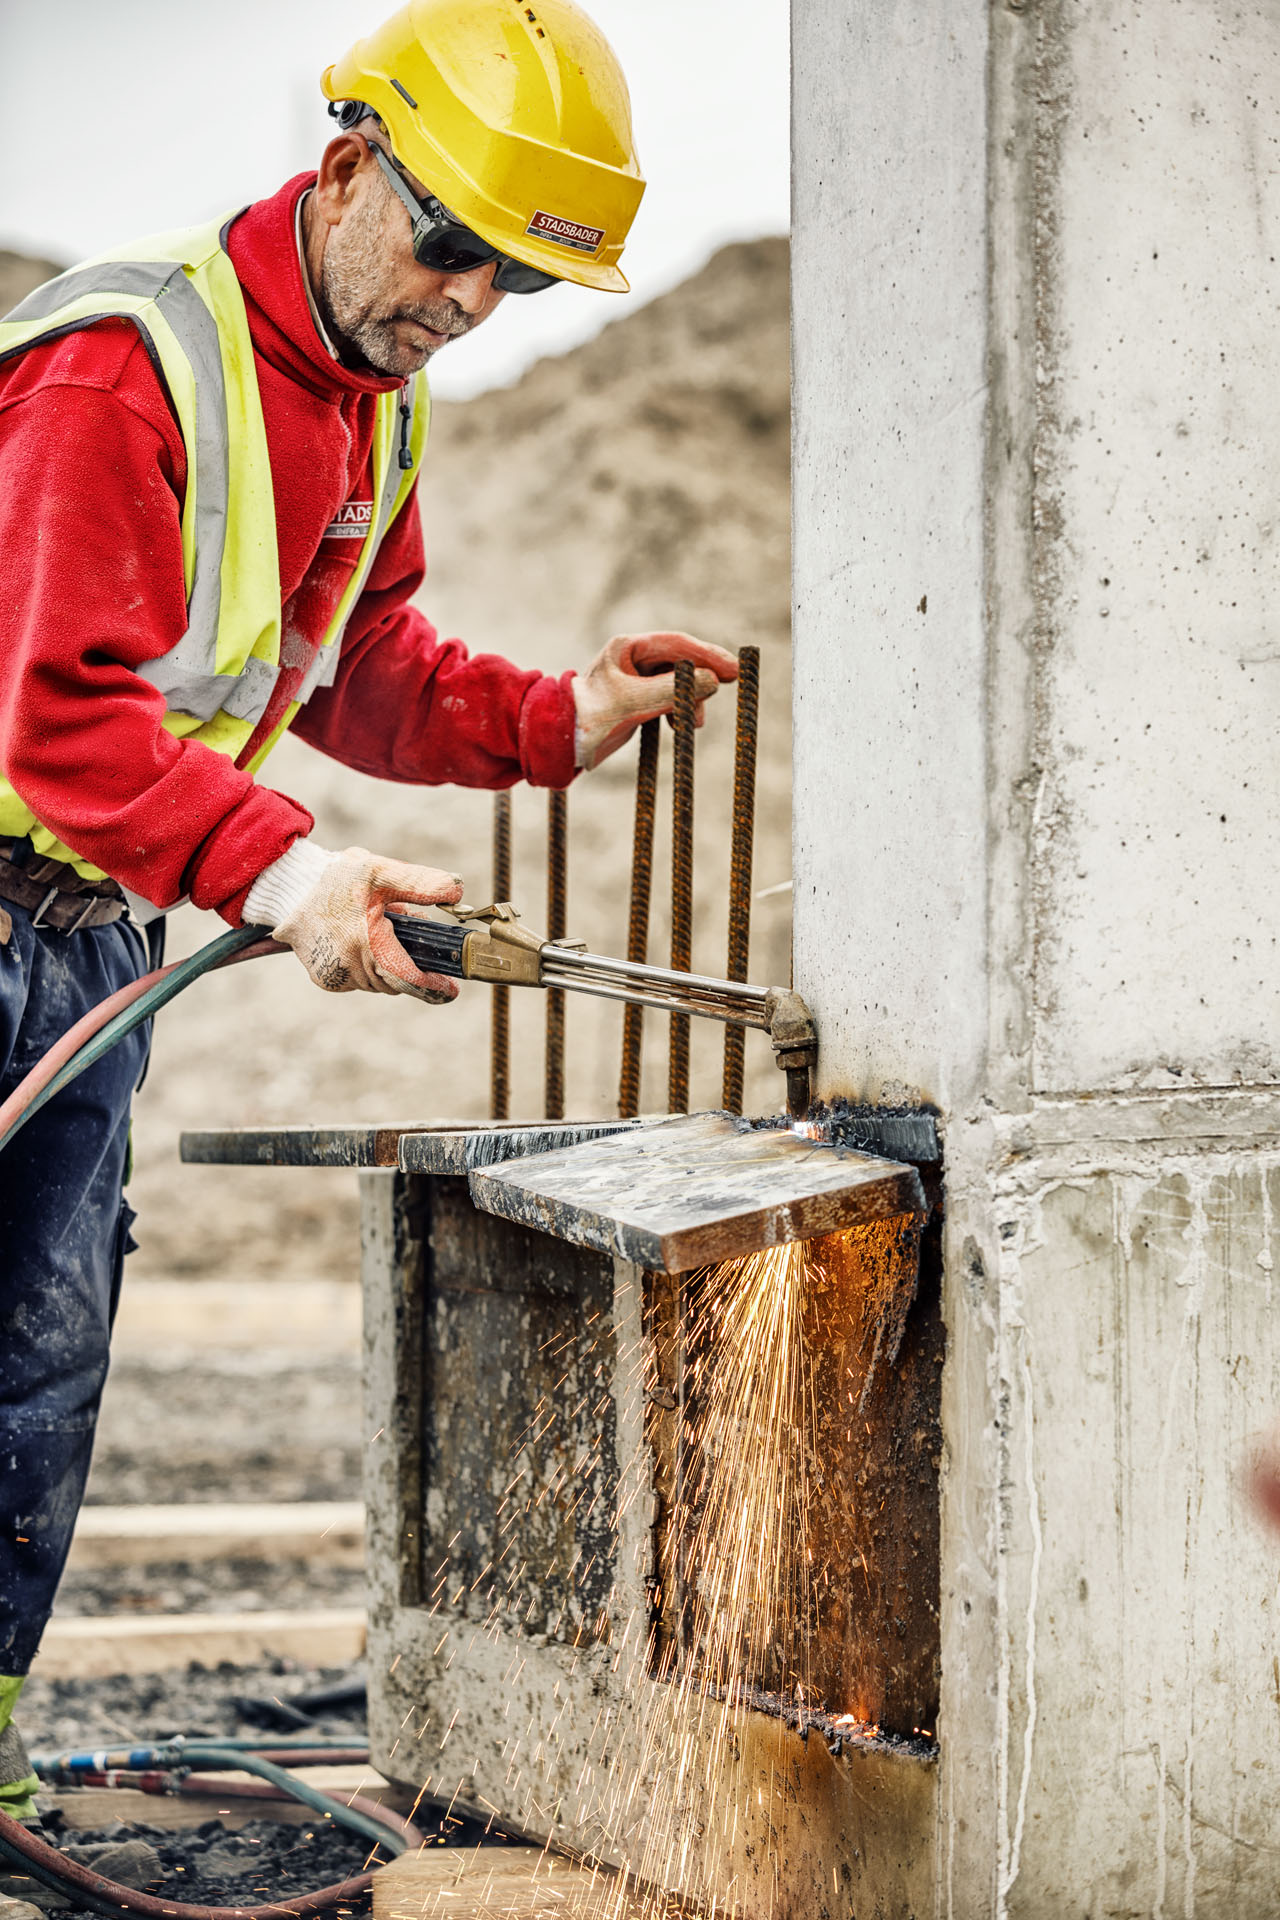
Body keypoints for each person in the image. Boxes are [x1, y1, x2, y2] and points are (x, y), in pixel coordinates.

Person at [0, 0, 736, 1816]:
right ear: (345, 171)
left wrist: (559, 720)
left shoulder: (367, 412)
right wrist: (291, 871)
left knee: (34, 1360)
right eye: (453, 243)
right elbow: (60, 709)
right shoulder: (124, 370)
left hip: (87, 946)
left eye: (521, 284)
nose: (471, 301)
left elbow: (356, 665)